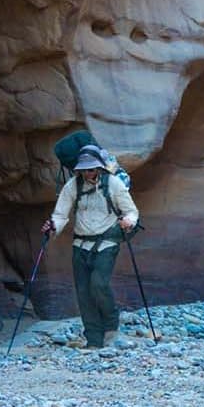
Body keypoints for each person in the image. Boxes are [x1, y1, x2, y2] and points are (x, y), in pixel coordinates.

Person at [41, 145, 139, 348]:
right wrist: (53, 227)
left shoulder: (113, 184)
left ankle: (111, 325)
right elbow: (60, 215)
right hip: (80, 244)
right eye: (84, 170)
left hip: (107, 242)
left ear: (99, 167)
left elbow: (131, 211)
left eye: (91, 169)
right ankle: (94, 339)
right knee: (83, 292)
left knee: (98, 284)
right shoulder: (72, 186)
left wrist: (128, 222)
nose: (87, 173)